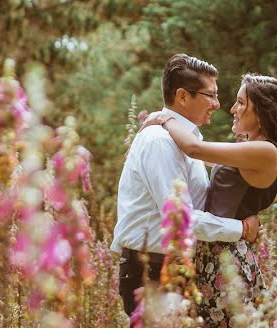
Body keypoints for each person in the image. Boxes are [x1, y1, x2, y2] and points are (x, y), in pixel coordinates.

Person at [141, 73, 277, 327]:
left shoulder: (266, 151)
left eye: (241, 103)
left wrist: (165, 118)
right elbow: (199, 156)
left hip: (227, 259)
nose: (232, 109)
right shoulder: (251, 149)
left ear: (261, 112)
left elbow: (194, 149)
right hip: (213, 254)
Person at [111, 54, 262, 321]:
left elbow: (202, 205)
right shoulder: (159, 141)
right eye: (210, 95)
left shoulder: (186, 142)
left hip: (178, 269)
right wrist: (242, 230)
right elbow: (182, 219)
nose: (217, 104)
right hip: (151, 271)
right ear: (182, 96)